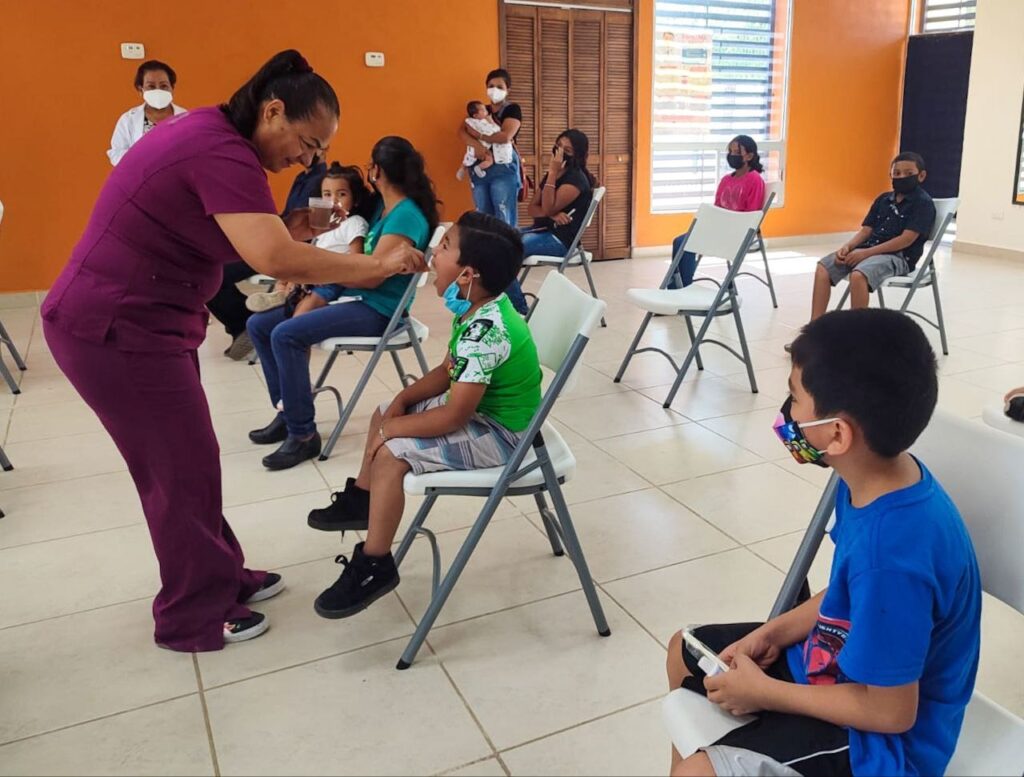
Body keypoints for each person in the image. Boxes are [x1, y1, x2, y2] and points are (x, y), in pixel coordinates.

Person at [41, 50, 425, 652]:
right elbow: (271, 259)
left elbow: (240, 238)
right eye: (307, 142)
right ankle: (190, 612)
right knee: (176, 469)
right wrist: (371, 266)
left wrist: (284, 225)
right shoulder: (220, 148)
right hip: (115, 328)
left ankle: (220, 573)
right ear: (273, 110)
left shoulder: (210, 135)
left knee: (192, 460)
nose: (309, 159)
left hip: (145, 323)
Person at [665, 308, 981, 777]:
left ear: (836, 434)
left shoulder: (892, 552)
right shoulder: (877, 482)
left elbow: (892, 713)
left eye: (795, 399)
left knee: (698, 772)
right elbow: (844, 594)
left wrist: (766, 693)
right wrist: (770, 634)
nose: (787, 413)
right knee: (684, 650)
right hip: (835, 666)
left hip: (882, 745)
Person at [304, 212, 542, 619]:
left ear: (467, 274)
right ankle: (364, 499)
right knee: (383, 412)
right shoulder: (479, 309)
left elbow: (454, 415)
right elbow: (449, 370)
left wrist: (394, 430)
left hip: (503, 434)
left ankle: (375, 563)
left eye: (445, 247)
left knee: (392, 453)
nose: (434, 252)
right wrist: (401, 402)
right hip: (480, 413)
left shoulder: (485, 331)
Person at [246, 136, 438, 471]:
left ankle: (303, 434)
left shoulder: (405, 216)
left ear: (376, 171)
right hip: (353, 294)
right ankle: (286, 409)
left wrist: (320, 272)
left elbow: (373, 276)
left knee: (286, 334)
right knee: (259, 325)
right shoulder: (383, 206)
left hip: (378, 308)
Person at [206, 151, 330, 361]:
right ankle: (242, 325)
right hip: (275, 238)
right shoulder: (304, 177)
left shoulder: (320, 180)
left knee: (218, 274)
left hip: (284, 247)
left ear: (322, 149)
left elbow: (316, 226)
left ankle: (243, 324)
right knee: (215, 270)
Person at [805, 152, 936, 326]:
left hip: (899, 256)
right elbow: (866, 231)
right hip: (868, 250)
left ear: (921, 175)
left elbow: (906, 240)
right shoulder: (883, 199)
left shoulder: (923, 203)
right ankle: (814, 329)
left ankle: (859, 336)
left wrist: (865, 254)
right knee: (823, 268)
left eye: (908, 173)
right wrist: (848, 247)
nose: (902, 177)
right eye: (896, 173)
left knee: (859, 276)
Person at [246, 161, 372, 315]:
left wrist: (326, 273)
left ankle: (291, 310)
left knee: (300, 313)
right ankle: (281, 292)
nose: (334, 200)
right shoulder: (325, 224)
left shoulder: (354, 223)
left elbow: (356, 260)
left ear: (356, 199)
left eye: (342, 194)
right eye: (327, 194)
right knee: (291, 265)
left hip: (331, 281)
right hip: (313, 275)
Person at [512, 129, 596, 314]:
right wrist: (551, 214)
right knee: (498, 241)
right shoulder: (556, 173)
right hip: (542, 229)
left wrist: (552, 173)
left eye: (567, 149)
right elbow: (532, 208)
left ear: (577, 155)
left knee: (509, 251)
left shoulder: (574, 179)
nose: (560, 152)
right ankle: (508, 301)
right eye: (558, 146)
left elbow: (548, 207)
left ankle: (520, 309)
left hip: (561, 241)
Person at [668, 135, 766, 289]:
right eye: (730, 151)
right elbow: (718, 208)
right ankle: (677, 287)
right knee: (680, 241)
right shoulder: (726, 180)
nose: (732, 155)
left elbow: (752, 215)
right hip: (719, 229)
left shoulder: (755, 180)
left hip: (738, 232)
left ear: (749, 156)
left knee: (687, 243)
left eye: (736, 152)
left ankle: (681, 289)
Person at [459, 68, 522, 226]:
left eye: (500, 87)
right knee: (483, 214)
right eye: (491, 85)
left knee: (503, 216)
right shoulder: (480, 110)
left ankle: (507, 250)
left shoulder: (512, 109)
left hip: (503, 167)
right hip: (480, 167)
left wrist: (480, 137)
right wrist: (478, 147)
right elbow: (462, 131)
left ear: (508, 90)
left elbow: (505, 136)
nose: (495, 90)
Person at [107, 59, 187, 166]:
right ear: (141, 90)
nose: (158, 90)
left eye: (164, 86)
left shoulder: (186, 117)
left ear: (172, 88)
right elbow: (116, 154)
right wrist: (143, 157)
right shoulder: (129, 119)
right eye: (151, 86)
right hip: (141, 179)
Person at [457, 101, 510, 180]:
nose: (486, 112)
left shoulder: (469, 121)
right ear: (476, 115)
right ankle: (479, 167)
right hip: (482, 147)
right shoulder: (481, 122)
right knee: (489, 160)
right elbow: (495, 131)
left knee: (468, 157)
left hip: (475, 147)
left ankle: (463, 168)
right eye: (484, 110)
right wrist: (491, 122)